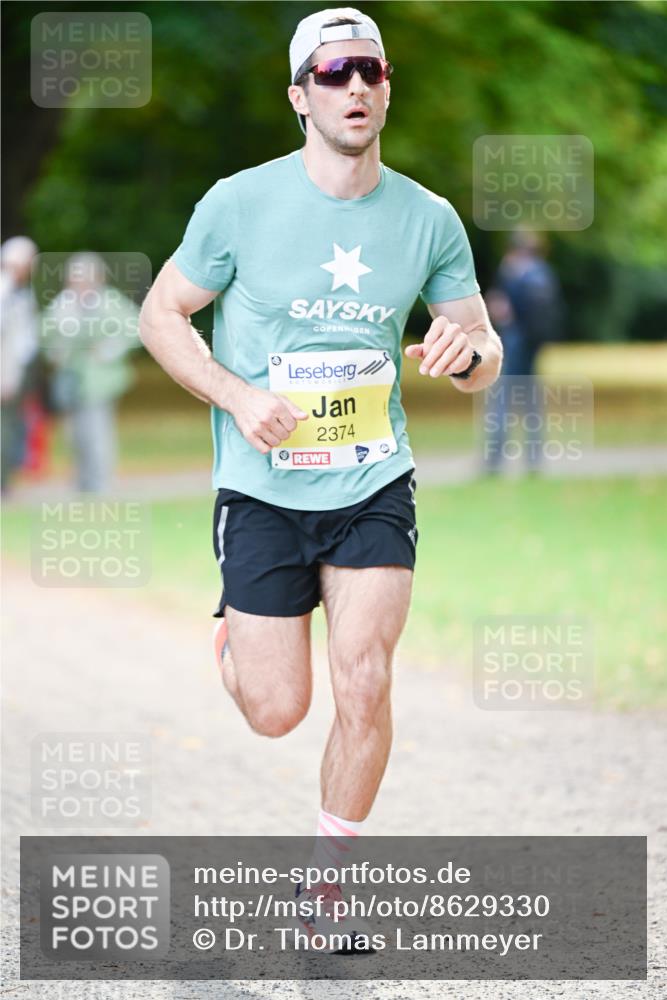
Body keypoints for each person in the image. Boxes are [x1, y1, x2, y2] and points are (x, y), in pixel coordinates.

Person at [140, 6, 502, 952]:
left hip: (373, 480)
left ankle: (327, 893)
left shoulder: (426, 218)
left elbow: (483, 353)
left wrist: (464, 354)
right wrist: (235, 395)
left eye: (370, 72)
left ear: (386, 88)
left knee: (367, 679)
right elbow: (161, 316)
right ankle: (235, 643)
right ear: (299, 95)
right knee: (277, 711)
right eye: (333, 73)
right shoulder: (238, 203)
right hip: (261, 487)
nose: (354, 88)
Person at [41, 252, 140, 493]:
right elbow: (44, 333)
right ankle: (82, 482)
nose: (79, 283)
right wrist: (56, 350)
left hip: (100, 379)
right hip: (70, 379)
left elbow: (136, 328)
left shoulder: (110, 301)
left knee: (97, 431)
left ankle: (100, 483)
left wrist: (109, 349)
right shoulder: (63, 304)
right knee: (74, 434)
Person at [483, 228, 563, 474]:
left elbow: (506, 309)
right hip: (532, 346)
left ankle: (496, 458)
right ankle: (533, 458)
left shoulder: (521, 274)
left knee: (503, 400)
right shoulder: (544, 274)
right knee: (530, 403)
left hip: (517, 344)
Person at [1, 236, 40, 493]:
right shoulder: (5, 292)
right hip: (6, 374)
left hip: (16, 372)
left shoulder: (19, 292)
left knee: (14, 426)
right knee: (5, 428)